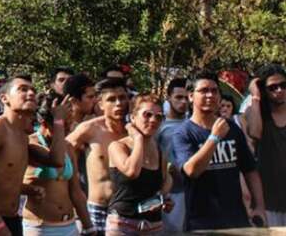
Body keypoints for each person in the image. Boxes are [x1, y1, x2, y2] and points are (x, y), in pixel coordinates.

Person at [0, 74, 66, 236]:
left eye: (32, 90)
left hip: (12, 220)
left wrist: (58, 121)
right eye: (23, 89)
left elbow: (57, 160)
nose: (31, 93)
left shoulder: (22, 135)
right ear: (4, 98)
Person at [172, 70, 266, 231]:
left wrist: (259, 206)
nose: (210, 95)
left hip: (236, 220)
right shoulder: (183, 133)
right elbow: (191, 171)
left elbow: (250, 170)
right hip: (201, 223)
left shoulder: (232, 128)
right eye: (204, 90)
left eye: (214, 91)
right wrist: (214, 138)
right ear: (191, 96)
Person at [22, 92, 91, 236]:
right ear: (44, 123)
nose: (69, 128)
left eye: (70, 123)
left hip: (69, 226)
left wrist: (89, 226)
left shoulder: (68, 147)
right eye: (64, 124)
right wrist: (58, 119)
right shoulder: (30, 144)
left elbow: (76, 191)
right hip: (40, 228)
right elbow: (56, 160)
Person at [67, 78, 130, 235]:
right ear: (100, 104)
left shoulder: (135, 131)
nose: (118, 103)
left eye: (122, 98)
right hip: (98, 209)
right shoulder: (89, 129)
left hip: (128, 210)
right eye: (111, 99)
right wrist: (74, 191)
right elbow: (62, 155)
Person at [105, 95, 173, 235]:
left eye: (159, 117)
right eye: (147, 115)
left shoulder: (160, 152)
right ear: (133, 117)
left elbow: (166, 181)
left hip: (153, 225)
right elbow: (132, 171)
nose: (153, 120)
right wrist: (138, 138)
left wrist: (162, 200)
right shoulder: (118, 146)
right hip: (123, 223)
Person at [244, 63, 286, 227]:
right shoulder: (255, 112)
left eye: (283, 85)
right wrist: (255, 97)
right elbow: (254, 133)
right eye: (272, 87)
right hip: (268, 200)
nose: (279, 90)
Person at [156, 77, 187, 233]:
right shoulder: (159, 126)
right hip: (170, 193)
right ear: (168, 97)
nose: (183, 102)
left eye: (187, 97)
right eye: (178, 97)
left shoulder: (193, 123)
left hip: (193, 191)